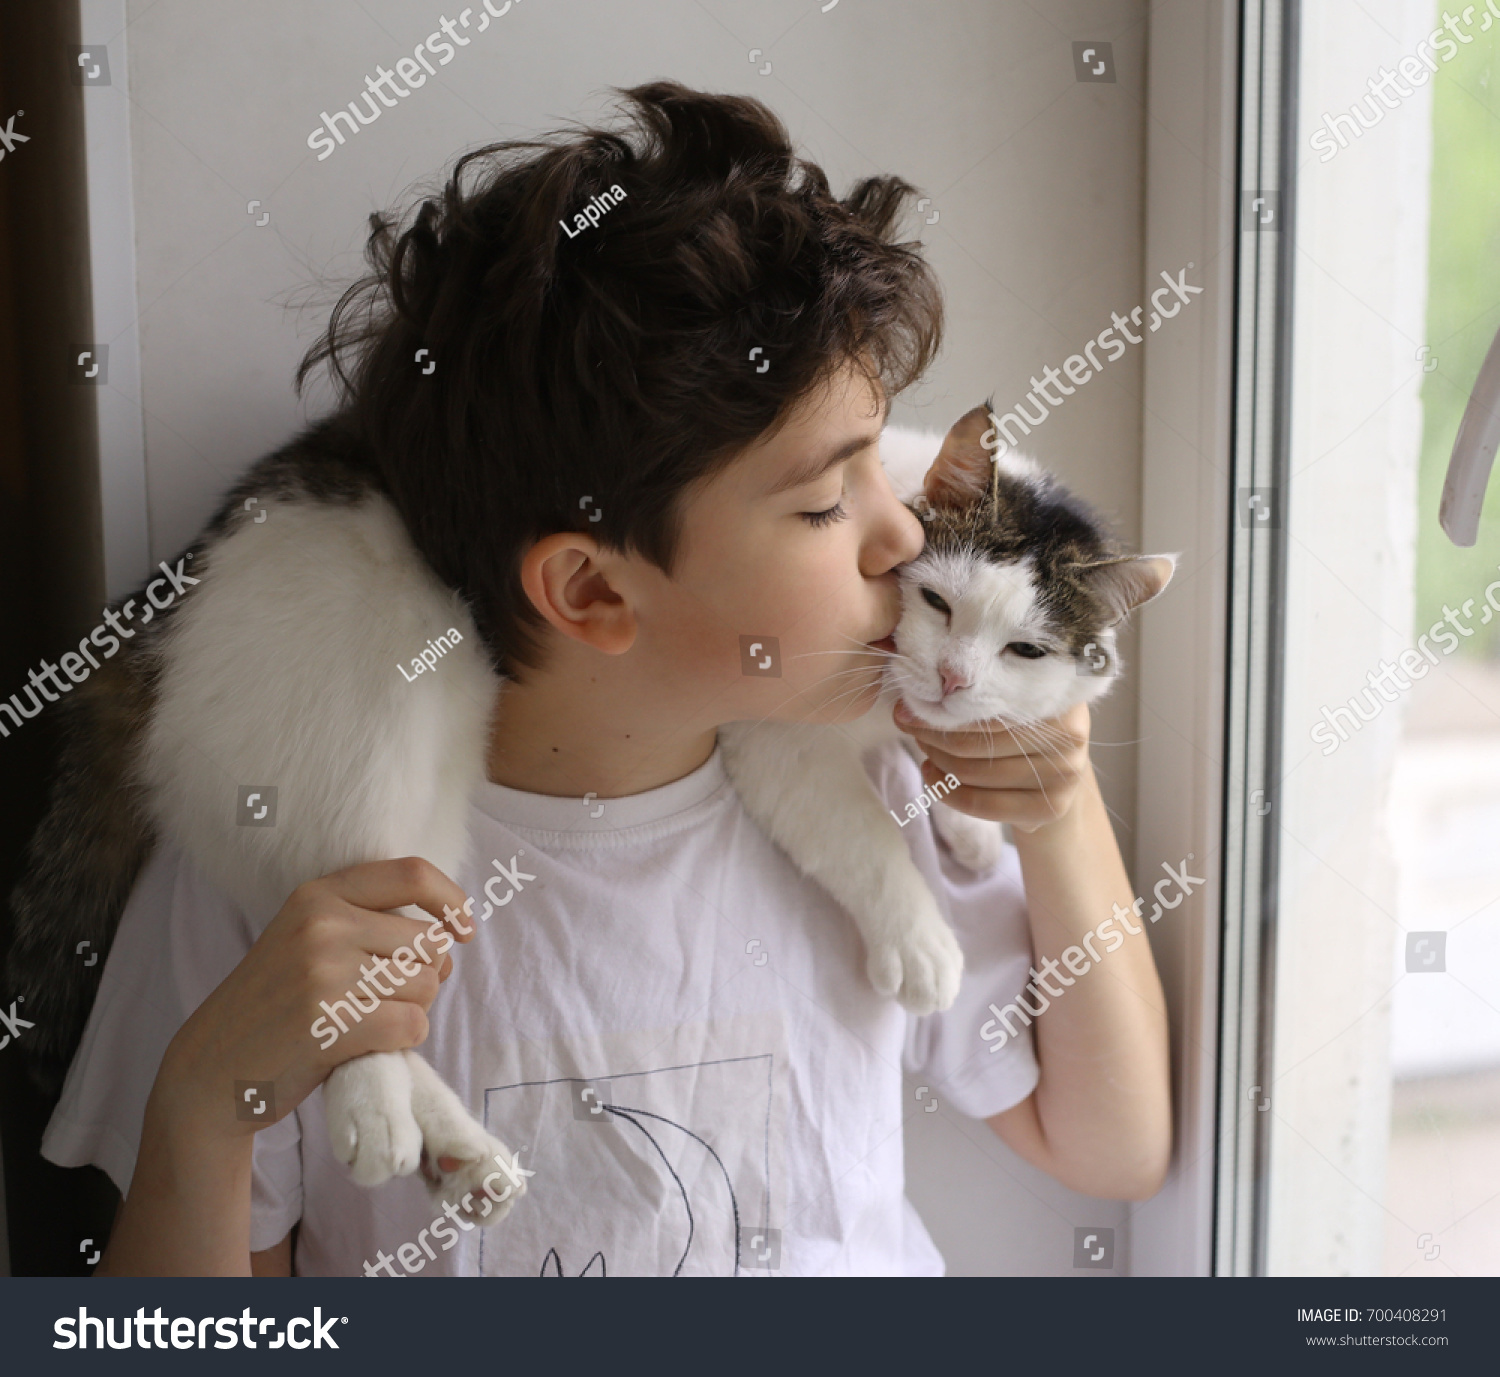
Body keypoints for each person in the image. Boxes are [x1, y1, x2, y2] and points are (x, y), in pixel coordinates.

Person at [37, 81, 1169, 1276]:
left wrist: (1055, 809)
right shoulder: (290, 866)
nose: (904, 541)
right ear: (590, 592)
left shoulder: (881, 786)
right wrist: (205, 1104)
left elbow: (1114, 1145)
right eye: (827, 502)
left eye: (885, 471)